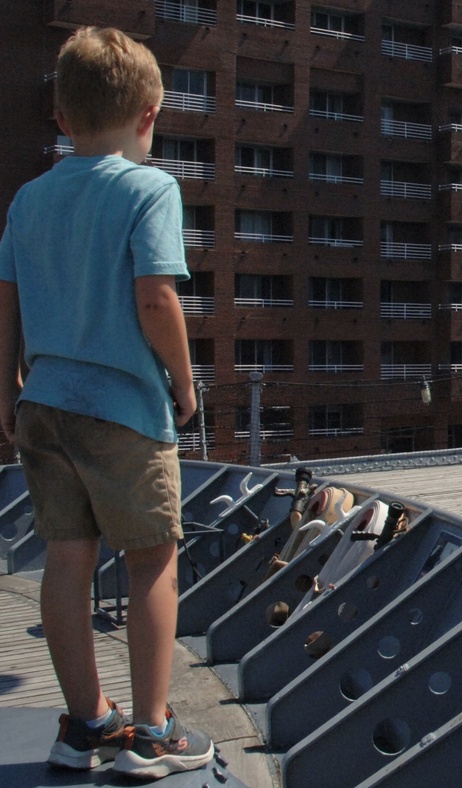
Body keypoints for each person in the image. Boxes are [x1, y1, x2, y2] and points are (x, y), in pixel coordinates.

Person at [0, 27, 214, 778]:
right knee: (154, 559)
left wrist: (7, 390)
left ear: (61, 116)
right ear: (150, 115)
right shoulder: (149, 187)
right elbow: (156, 299)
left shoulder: (30, 197)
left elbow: (9, 301)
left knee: (68, 557)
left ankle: (88, 724)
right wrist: (185, 387)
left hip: (43, 404)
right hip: (124, 407)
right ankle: (153, 733)